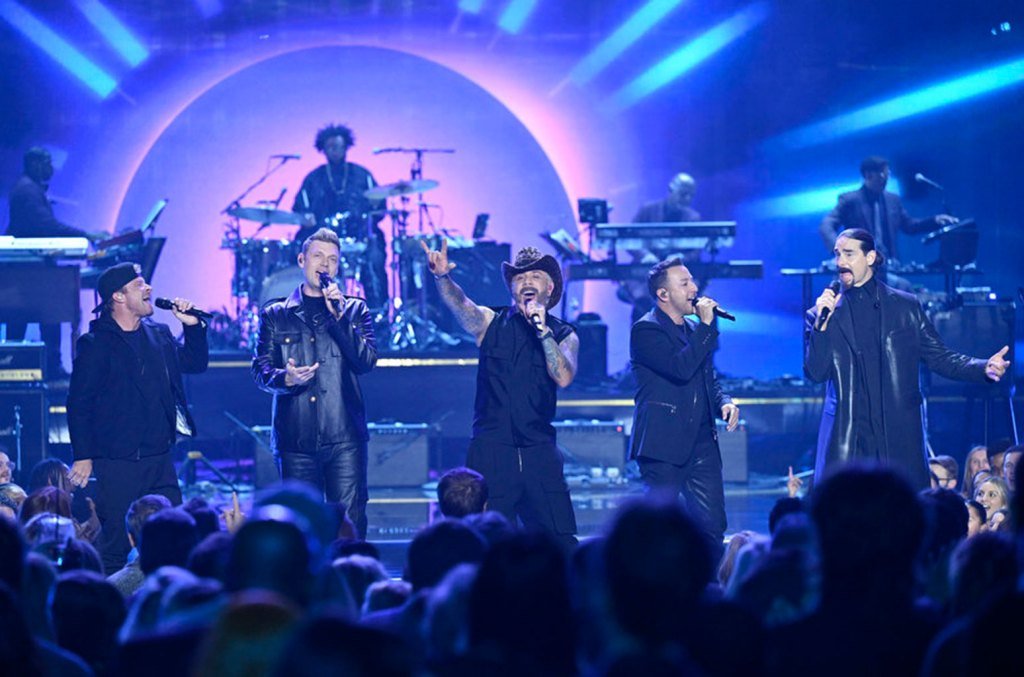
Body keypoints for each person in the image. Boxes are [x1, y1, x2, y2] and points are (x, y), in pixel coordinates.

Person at [805, 228, 1009, 489]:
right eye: (837, 254)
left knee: (900, 508)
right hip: (848, 438)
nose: (840, 262)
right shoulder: (821, 314)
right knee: (849, 509)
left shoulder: (905, 307)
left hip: (896, 435)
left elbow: (939, 356)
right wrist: (822, 326)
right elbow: (816, 373)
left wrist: (982, 368)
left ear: (870, 257)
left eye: (848, 254)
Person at [421, 241, 579, 550]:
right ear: (512, 288)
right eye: (519, 278)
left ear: (549, 288)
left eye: (535, 276)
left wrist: (543, 331)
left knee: (559, 542)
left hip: (538, 450)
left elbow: (563, 376)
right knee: (484, 541)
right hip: (492, 450)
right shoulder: (490, 322)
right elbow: (461, 305)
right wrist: (442, 278)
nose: (526, 282)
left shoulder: (564, 334)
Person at [66, 261, 208, 572]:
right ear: (118, 296)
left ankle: (167, 596)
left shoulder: (159, 334)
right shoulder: (96, 344)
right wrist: (83, 456)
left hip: (160, 458)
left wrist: (192, 327)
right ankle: (113, 598)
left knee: (174, 537)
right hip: (118, 462)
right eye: (139, 284)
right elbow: (79, 403)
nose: (149, 288)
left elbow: (194, 363)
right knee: (118, 543)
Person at [252, 228, 377, 537]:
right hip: (296, 438)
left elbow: (365, 362)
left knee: (348, 525)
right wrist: (286, 378)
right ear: (301, 260)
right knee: (300, 528)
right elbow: (260, 369)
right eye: (318, 256)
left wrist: (340, 318)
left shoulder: (355, 310)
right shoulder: (276, 314)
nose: (325, 264)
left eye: (332, 259)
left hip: (344, 437)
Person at [628, 258, 740, 559]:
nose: (695, 288)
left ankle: (709, 584)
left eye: (692, 281)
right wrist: (707, 327)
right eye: (685, 283)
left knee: (712, 527)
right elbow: (680, 368)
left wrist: (725, 401)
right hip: (663, 444)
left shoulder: (694, 330)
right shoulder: (646, 330)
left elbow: (707, 378)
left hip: (702, 444)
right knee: (659, 530)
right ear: (663, 294)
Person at [5, 147, 105, 378]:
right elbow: (47, 226)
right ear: (34, 163)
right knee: (46, 314)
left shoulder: (28, 188)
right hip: (30, 273)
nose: (51, 168)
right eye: (47, 162)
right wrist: (86, 235)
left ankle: (34, 367)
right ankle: (44, 368)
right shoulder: (27, 190)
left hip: (29, 271)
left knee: (27, 319)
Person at [292, 123, 388, 312]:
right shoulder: (314, 179)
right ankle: (314, 312)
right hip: (324, 241)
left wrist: (376, 207)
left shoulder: (362, 175)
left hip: (360, 239)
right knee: (303, 251)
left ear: (346, 147)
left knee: (375, 256)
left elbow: (379, 210)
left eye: (339, 146)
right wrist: (307, 219)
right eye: (331, 147)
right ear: (323, 149)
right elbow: (300, 211)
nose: (335, 151)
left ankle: (379, 313)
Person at [818, 156, 957, 262]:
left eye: (887, 175)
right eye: (881, 175)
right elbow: (826, 225)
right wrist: (840, 250)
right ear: (868, 176)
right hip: (860, 266)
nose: (885, 179)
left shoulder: (893, 200)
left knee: (903, 288)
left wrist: (935, 220)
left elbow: (909, 226)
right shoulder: (850, 200)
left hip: (888, 264)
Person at [622, 172, 703, 322]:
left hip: (679, 276)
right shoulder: (647, 210)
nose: (686, 199)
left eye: (690, 196)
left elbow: (697, 250)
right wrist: (644, 255)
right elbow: (629, 240)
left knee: (705, 304)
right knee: (642, 300)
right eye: (683, 194)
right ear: (671, 189)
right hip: (645, 274)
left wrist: (681, 258)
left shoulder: (693, 218)